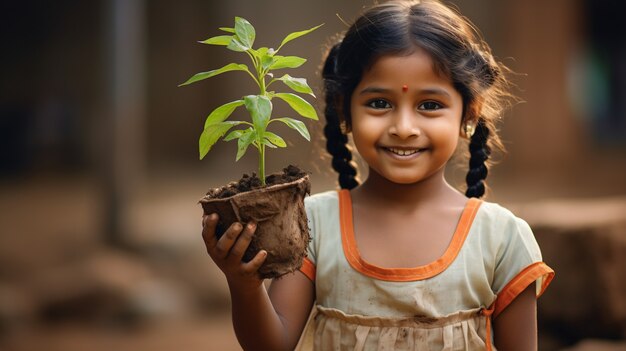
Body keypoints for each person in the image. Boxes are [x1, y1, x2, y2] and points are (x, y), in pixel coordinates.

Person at [201, 0, 554, 349]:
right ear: (344, 110)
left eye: (429, 105)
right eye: (379, 103)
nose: (403, 127)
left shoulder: (502, 238)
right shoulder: (313, 226)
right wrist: (243, 285)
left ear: (469, 114)